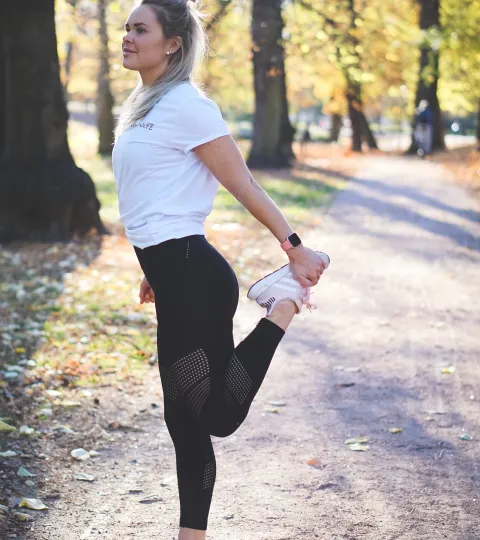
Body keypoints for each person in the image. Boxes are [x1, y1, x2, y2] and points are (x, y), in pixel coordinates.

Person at [112, 1, 329, 539]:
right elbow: (155, 196)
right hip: (173, 273)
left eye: (141, 29)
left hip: (195, 277)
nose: (127, 37)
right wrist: (153, 269)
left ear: (172, 44)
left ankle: (282, 303)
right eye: (126, 27)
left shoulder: (188, 104)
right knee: (181, 420)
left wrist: (293, 248)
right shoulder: (143, 104)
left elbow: (244, 183)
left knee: (215, 417)